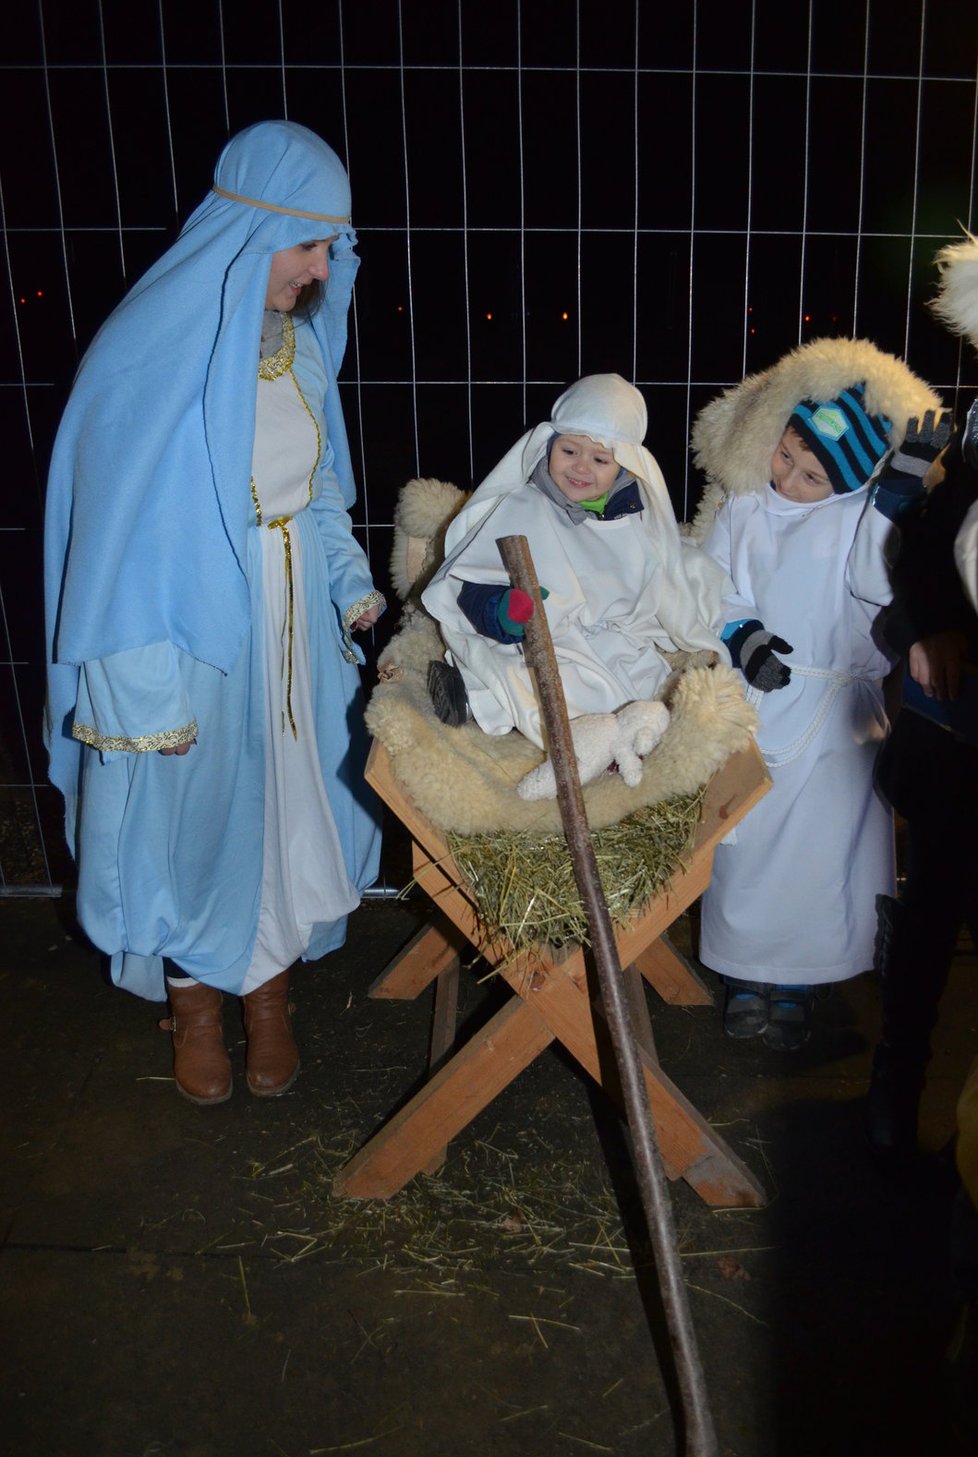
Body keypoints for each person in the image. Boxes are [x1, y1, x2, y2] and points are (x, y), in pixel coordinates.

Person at [43, 121, 385, 1106]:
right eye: (312, 243)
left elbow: (318, 496)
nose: (325, 267)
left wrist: (350, 589)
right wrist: (147, 698)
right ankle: (197, 1005)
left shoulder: (303, 354)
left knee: (283, 811)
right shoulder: (153, 359)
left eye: (332, 245)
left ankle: (268, 999)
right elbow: (111, 549)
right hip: (190, 644)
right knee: (192, 824)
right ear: (251, 230)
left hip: (290, 645)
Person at [687, 339, 945, 1050]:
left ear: (850, 481)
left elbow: (876, 581)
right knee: (750, 835)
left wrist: (896, 496)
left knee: (821, 847)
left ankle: (799, 981)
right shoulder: (745, 507)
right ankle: (746, 973)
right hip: (760, 699)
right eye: (787, 457)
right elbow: (711, 582)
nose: (792, 480)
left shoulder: (858, 518)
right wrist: (742, 636)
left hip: (837, 715)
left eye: (813, 475)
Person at [421, 373, 728, 755]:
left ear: (626, 467)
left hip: (613, 643)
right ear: (547, 445)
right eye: (569, 451)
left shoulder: (634, 522)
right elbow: (471, 583)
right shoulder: (521, 507)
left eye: (600, 459)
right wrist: (502, 613)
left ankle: (616, 747)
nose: (581, 468)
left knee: (643, 690)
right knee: (519, 680)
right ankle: (467, 696)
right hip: (538, 641)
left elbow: (661, 579)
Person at [865, 233, 978, 1163]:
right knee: (932, 911)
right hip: (952, 748)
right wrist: (918, 636)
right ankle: (893, 1101)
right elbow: (903, 576)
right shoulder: (967, 468)